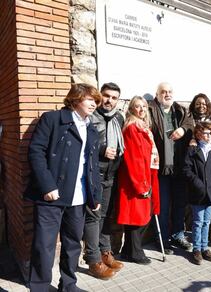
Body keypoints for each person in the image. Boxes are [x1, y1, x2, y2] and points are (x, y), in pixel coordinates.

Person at [25, 84, 102, 292]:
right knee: (44, 246)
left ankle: (68, 285)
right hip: (51, 195)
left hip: (79, 197)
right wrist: (47, 185)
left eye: (96, 100)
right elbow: (36, 152)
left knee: (73, 245)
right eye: (90, 99)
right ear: (76, 99)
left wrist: (95, 195)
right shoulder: (53, 119)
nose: (94, 103)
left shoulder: (92, 129)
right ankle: (39, 287)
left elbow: (92, 166)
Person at [83, 82, 124, 280]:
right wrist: (101, 150)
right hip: (94, 174)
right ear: (100, 96)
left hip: (111, 174)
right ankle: (93, 260)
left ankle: (105, 252)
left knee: (106, 215)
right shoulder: (91, 116)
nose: (109, 100)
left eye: (114, 97)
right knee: (93, 217)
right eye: (106, 96)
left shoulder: (119, 117)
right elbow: (83, 141)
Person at [148, 82, 194, 254]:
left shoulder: (180, 110)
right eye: (163, 92)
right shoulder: (150, 109)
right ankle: (162, 238)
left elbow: (190, 124)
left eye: (170, 91)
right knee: (162, 205)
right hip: (160, 167)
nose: (167, 94)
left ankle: (178, 234)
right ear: (157, 94)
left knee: (180, 204)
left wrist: (183, 129)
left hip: (179, 165)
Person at [117, 96, 160, 264]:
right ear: (131, 109)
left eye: (144, 106)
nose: (141, 109)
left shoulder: (143, 127)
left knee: (141, 215)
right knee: (137, 218)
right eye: (137, 106)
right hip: (136, 180)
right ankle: (136, 252)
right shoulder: (132, 128)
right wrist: (141, 184)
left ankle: (128, 250)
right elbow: (134, 158)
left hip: (145, 176)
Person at [183, 122, 211, 265]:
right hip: (197, 193)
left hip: (210, 192)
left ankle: (205, 247)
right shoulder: (193, 150)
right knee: (197, 222)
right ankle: (196, 249)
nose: (208, 136)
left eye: (210, 133)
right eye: (205, 133)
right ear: (198, 134)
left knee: (207, 222)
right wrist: (198, 184)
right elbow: (186, 170)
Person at [188, 93, 211, 243]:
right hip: (197, 171)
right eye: (198, 103)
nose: (201, 106)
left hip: (210, 180)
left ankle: (206, 240)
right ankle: (197, 246)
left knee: (206, 218)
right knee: (198, 219)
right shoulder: (189, 119)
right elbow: (187, 168)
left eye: (204, 104)